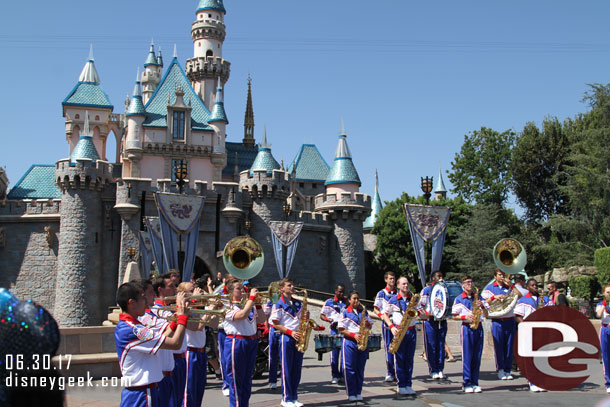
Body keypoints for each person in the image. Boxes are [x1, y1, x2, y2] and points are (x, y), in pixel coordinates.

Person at [114, 282, 188, 407]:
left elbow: (163, 338)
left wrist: (175, 324)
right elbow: (175, 343)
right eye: (142, 298)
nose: (146, 301)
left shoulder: (132, 327)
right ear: (132, 303)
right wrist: (182, 317)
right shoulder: (134, 330)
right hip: (142, 394)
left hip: (143, 392)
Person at [223, 279, 267, 407]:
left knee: (247, 380)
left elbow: (263, 319)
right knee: (236, 380)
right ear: (230, 292)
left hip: (251, 341)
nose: (242, 291)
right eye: (238, 289)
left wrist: (257, 305)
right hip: (236, 341)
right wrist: (252, 298)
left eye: (243, 289)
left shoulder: (249, 304)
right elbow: (241, 315)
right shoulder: (226, 305)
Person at [271, 278, 309, 407]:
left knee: (296, 369)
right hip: (286, 337)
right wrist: (290, 332)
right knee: (287, 368)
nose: (292, 287)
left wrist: (306, 318)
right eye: (289, 285)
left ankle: (294, 396)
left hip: (298, 337)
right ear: (282, 288)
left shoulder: (298, 303)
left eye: (292, 285)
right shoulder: (278, 303)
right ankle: (286, 398)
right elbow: (275, 323)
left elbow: (300, 319)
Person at [451, 275, 488, 394]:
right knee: (467, 356)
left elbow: (486, 314)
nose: (470, 284)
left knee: (477, 356)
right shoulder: (459, 299)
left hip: (479, 327)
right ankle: (466, 382)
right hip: (467, 328)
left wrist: (481, 305)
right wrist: (465, 316)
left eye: (471, 282)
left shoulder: (478, 297)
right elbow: (453, 316)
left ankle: (475, 382)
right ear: (462, 285)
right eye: (467, 282)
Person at [481, 269, 520, 380]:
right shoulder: (490, 288)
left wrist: (512, 285)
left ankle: (508, 370)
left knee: (509, 346)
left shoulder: (509, 287)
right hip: (498, 321)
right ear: (495, 276)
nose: (502, 277)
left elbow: (519, 295)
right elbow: (483, 301)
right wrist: (494, 297)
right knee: (499, 347)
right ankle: (501, 370)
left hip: (509, 320)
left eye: (503, 274)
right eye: (500, 275)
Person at [382, 277, 417, 395]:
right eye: (403, 284)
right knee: (400, 358)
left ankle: (408, 384)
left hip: (411, 331)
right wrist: (391, 327)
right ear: (398, 286)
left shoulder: (412, 299)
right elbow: (385, 315)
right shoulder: (392, 300)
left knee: (409, 359)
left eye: (407, 284)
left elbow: (420, 313)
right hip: (399, 330)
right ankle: (401, 384)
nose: (406, 286)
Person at [514, 279, 551, 392]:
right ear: (528, 287)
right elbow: (517, 316)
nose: (535, 287)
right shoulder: (523, 300)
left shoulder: (545, 299)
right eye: (532, 285)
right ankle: (532, 381)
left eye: (536, 285)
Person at [338, 290, 373, 402]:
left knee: (360, 369)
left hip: (362, 341)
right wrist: (354, 335)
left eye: (358, 299)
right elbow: (341, 329)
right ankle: (351, 392)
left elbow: (370, 325)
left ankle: (358, 391)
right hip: (350, 342)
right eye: (354, 299)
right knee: (350, 368)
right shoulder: (345, 312)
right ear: (349, 300)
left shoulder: (363, 311)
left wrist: (368, 325)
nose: (357, 301)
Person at [151, 274, 179, 407]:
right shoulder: (155, 311)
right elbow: (168, 336)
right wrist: (181, 313)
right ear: (160, 290)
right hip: (159, 374)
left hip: (170, 369)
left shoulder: (167, 308)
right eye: (171, 286)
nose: (176, 289)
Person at [417, 271, 448, 379]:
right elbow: (419, 305)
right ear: (433, 279)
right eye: (438, 276)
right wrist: (427, 313)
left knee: (441, 346)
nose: (441, 278)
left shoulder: (444, 289)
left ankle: (440, 369)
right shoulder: (427, 290)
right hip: (430, 321)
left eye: (441, 276)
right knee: (431, 346)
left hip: (442, 320)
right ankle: (433, 369)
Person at [320, 283, 347, 384]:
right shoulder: (329, 302)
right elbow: (322, 315)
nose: (341, 294)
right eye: (340, 292)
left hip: (344, 330)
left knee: (345, 353)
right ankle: (335, 375)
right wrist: (328, 319)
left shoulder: (347, 302)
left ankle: (343, 375)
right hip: (334, 330)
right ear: (335, 291)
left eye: (343, 292)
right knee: (334, 354)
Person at [374, 271, 397, 382]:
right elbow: (375, 309)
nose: (392, 280)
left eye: (393, 278)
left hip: (397, 322)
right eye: (390, 278)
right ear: (386, 280)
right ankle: (389, 372)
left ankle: (398, 371)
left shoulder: (398, 293)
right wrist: (381, 316)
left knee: (398, 347)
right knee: (389, 347)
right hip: (387, 322)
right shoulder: (381, 293)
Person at [264, 298, 281, 389]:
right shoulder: (272, 300)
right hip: (274, 328)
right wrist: (266, 326)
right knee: (272, 355)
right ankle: (272, 380)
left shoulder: (290, 301)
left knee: (285, 356)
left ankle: (287, 381)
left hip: (285, 329)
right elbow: (266, 314)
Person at [596, 284, 610, 394]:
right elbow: (598, 314)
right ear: (604, 293)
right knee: (606, 356)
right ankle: (608, 383)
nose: (609, 294)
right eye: (607, 292)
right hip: (605, 330)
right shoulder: (601, 304)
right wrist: (604, 305)